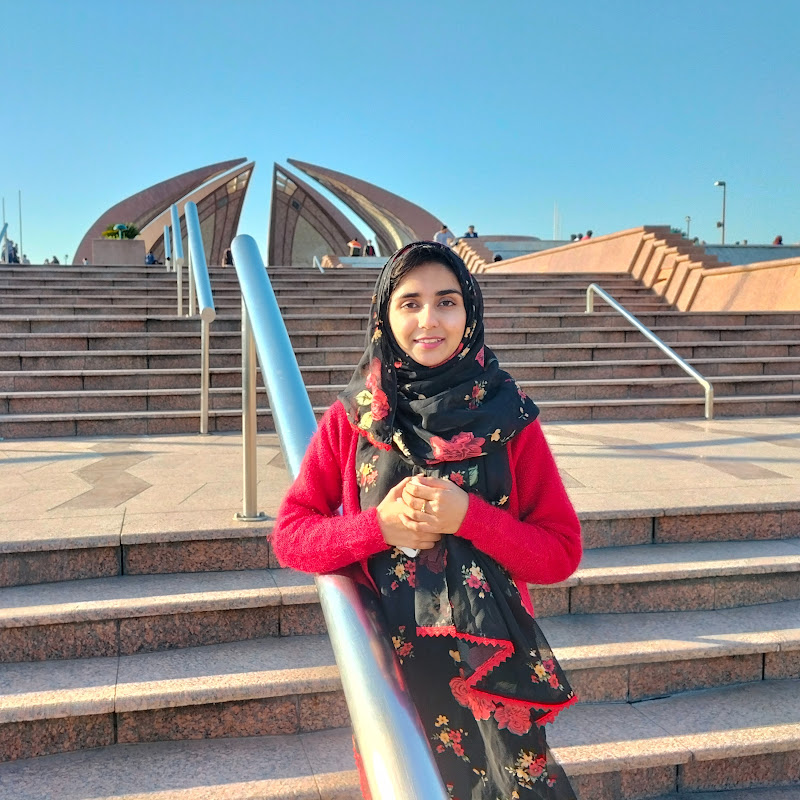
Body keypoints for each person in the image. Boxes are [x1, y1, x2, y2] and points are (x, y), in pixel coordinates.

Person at [273, 241, 581, 800]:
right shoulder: (354, 418)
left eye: (446, 301)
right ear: (385, 317)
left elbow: (560, 552)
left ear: (469, 311)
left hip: (493, 674)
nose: (429, 320)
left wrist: (470, 517)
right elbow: (292, 534)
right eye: (410, 303)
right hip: (396, 674)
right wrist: (378, 528)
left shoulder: (509, 415)